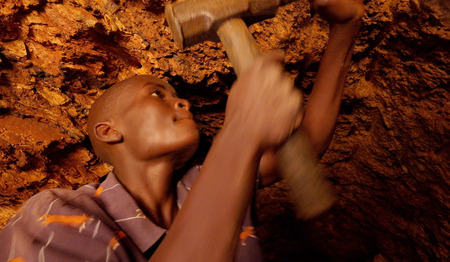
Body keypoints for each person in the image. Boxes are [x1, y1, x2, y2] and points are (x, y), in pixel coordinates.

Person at [0, 0, 364, 261]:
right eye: (157, 94)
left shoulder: (202, 184)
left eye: (177, 95)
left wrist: (346, 28)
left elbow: (309, 143)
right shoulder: (50, 217)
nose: (183, 103)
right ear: (109, 131)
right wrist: (240, 133)